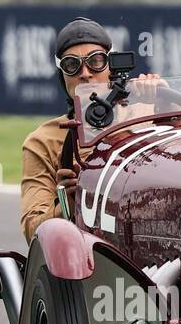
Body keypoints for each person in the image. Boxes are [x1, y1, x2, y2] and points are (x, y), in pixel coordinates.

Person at [19, 17, 165, 242]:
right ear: (63, 76)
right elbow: (33, 231)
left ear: (111, 69)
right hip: (87, 254)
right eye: (72, 65)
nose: (85, 73)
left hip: (155, 233)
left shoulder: (149, 111)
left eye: (96, 61)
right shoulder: (43, 141)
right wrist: (67, 202)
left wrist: (166, 101)